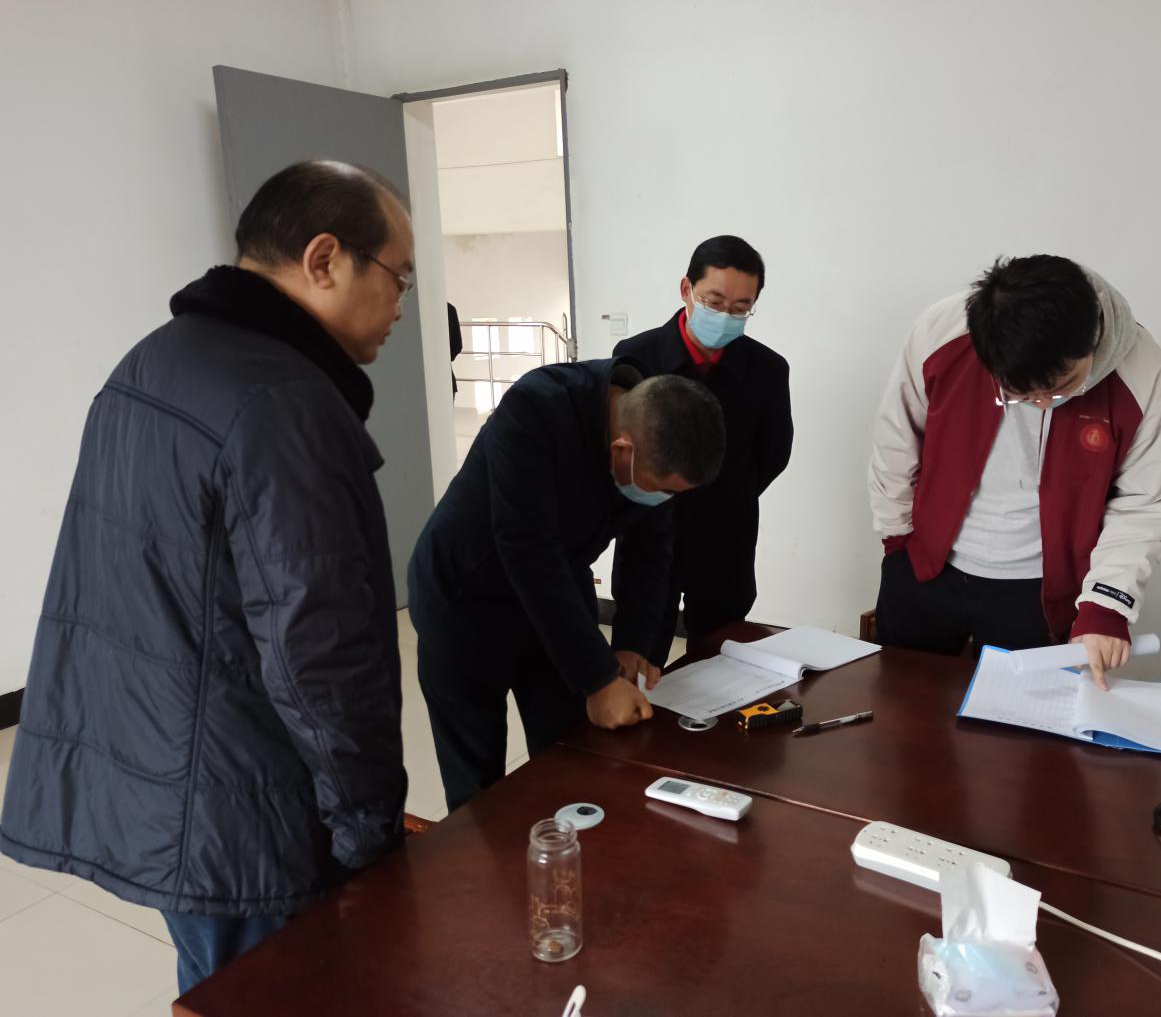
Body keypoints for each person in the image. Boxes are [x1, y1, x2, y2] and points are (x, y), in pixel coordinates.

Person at [0, 160, 413, 992]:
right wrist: (369, 828)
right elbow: (318, 656)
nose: (404, 304)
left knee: (214, 986)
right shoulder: (284, 404)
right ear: (324, 259)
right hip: (239, 802)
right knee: (277, 994)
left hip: (153, 766)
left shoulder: (154, 359)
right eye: (398, 276)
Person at [409, 360, 725, 812]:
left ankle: (569, 847)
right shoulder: (536, 407)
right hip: (464, 598)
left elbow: (651, 549)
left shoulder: (658, 438)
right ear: (622, 450)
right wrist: (598, 678)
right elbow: (528, 549)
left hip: (557, 592)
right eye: (662, 490)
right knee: (478, 790)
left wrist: (630, 644)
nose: (662, 500)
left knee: (571, 755)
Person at [867, 255, 1161, 687]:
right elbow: (897, 435)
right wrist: (897, 538)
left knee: (1016, 726)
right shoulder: (943, 331)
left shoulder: (1146, 375)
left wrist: (1107, 604)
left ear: (1092, 340)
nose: (1041, 404)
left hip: (1039, 592)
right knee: (901, 707)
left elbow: (1148, 503)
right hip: (925, 567)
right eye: (1020, 393)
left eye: (1061, 388)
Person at [613, 236, 792, 661]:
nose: (726, 316)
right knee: (638, 654)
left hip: (725, 535)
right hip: (647, 527)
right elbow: (620, 446)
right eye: (715, 302)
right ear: (687, 290)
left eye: (740, 308)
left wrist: (724, 492)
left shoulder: (768, 369)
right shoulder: (636, 356)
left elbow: (773, 453)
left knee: (719, 660)